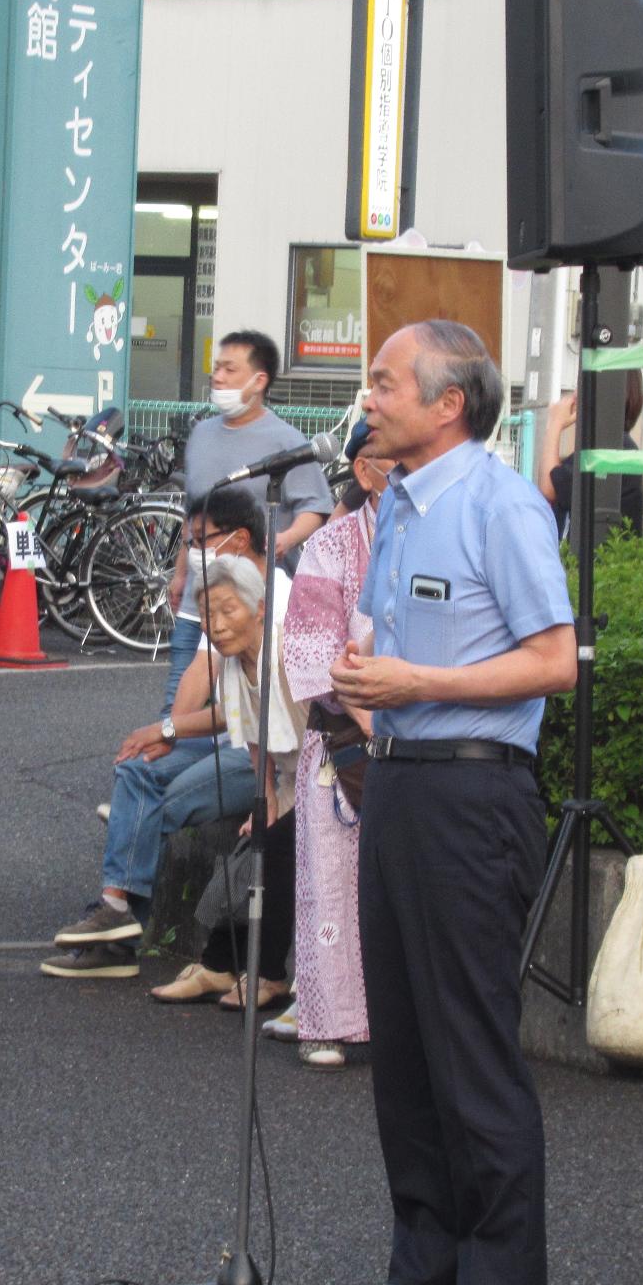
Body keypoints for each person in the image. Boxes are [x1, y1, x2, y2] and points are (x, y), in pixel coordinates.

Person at [326, 320, 574, 1285]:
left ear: (447, 404)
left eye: (384, 382)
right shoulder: (395, 508)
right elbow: (399, 639)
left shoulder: (498, 502)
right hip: (397, 786)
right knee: (405, 1050)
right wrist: (366, 677)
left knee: (469, 1043)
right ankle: (422, 1270)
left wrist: (416, 685)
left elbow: (554, 660)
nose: (366, 398)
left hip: (473, 796)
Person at [40, 487, 270, 980]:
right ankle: (115, 910)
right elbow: (203, 674)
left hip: (271, 753)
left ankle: (120, 937)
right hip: (239, 737)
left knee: (164, 801)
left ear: (240, 538)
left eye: (201, 541)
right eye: (188, 543)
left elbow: (257, 712)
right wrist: (164, 733)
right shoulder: (225, 590)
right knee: (139, 765)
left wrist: (269, 797)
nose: (193, 553)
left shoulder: (275, 597)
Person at [275, 426, 388, 1067]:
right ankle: (328, 1021)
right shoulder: (329, 546)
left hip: (420, 732)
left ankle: (395, 1020)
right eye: (395, 465)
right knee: (332, 886)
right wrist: (373, 722)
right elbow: (313, 657)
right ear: (365, 472)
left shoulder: (438, 539)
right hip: (346, 735)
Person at [146, 552, 299, 1011]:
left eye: (229, 610)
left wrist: (284, 806)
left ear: (259, 608)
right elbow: (253, 736)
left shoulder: (287, 649)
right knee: (250, 841)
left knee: (276, 847)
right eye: (209, 614)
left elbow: (323, 731)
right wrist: (266, 796)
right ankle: (218, 964)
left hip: (330, 773)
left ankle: (269, 974)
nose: (218, 624)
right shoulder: (235, 664)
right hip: (289, 774)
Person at [162, 330, 331, 719]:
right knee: (179, 703)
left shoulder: (285, 439)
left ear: (259, 381)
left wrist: (284, 539)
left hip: (248, 601)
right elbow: (195, 516)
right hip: (197, 600)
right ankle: (164, 761)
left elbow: (316, 507)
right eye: (216, 368)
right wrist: (181, 572)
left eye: (229, 369)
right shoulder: (201, 434)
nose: (217, 377)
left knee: (243, 713)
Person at [533, 370, 643, 536]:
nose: (575, 396)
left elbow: (549, 488)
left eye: (581, 387)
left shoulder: (612, 449)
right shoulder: (608, 445)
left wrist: (556, 423)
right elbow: (553, 479)